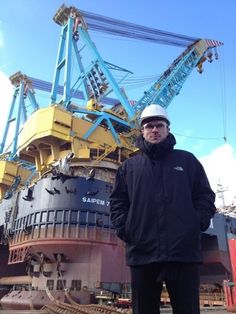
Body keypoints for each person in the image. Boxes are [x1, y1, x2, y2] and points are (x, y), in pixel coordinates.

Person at [110, 104, 216, 314]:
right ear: (142, 131)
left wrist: (196, 223)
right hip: (143, 253)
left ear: (168, 128)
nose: (154, 130)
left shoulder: (187, 161)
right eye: (149, 126)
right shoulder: (128, 168)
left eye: (159, 125)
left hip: (183, 253)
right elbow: (117, 203)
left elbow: (205, 196)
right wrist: (128, 230)